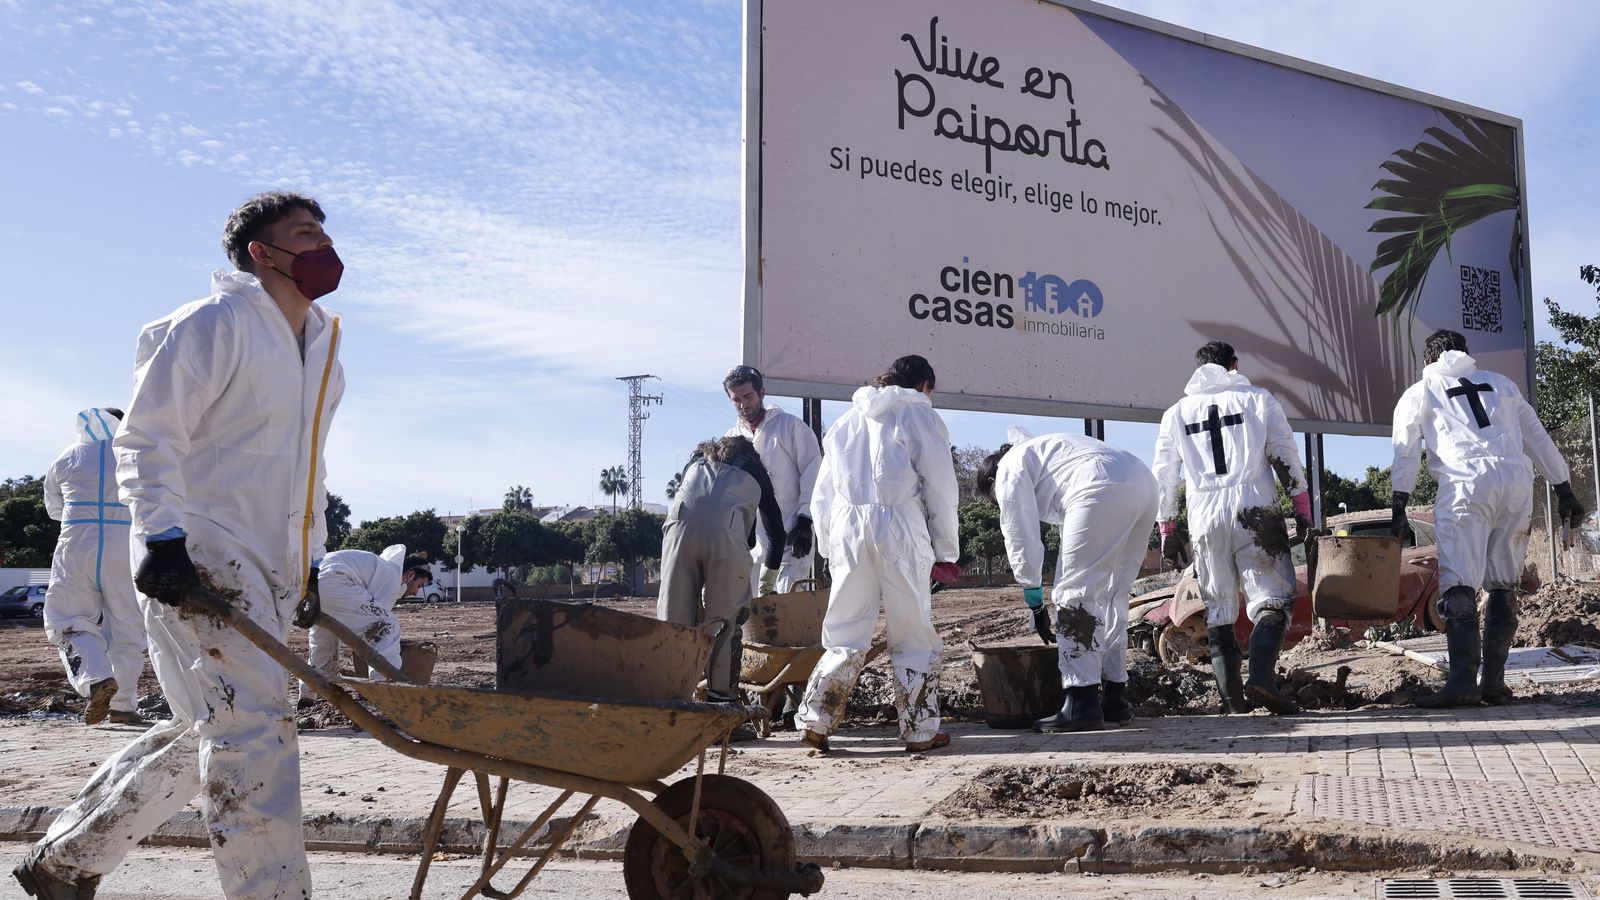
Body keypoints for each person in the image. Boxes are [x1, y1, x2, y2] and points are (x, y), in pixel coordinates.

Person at [14, 191, 345, 900]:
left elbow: (309, 468)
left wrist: (312, 560)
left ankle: (66, 859)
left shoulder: (322, 346)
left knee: (208, 723)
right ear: (262, 253)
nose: (323, 246)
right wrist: (164, 539)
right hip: (203, 555)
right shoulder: (214, 324)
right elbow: (145, 438)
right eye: (305, 234)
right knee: (254, 734)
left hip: (273, 563)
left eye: (325, 233)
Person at [1391, 329, 1584, 707]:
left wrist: (1400, 503)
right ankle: (1494, 682)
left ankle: (1463, 682)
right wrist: (1564, 489)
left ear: (1427, 360)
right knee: (1503, 583)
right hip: (1516, 484)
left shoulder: (1421, 391)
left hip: (1465, 486)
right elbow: (1537, 437)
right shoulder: (1502, 384)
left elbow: (1406, 451)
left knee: (1458, 582)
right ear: (1466, 353)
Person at [795, 355, 961, 753]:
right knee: (912, 630)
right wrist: (946, 550)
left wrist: (829, 546)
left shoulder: (846, 421)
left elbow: (822, 495)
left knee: (845, 630)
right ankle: (920, 730)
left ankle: (816, 719)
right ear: (924, 385)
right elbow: (940, 486)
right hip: (900, 527)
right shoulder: (919, 414)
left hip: (848, 530)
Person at [1152, 341, 1311, 716]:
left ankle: (1234, 705)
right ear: (1234, 365)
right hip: (1255, 510)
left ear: (1197, 369)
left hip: (1204, 516)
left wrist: (1167, 529)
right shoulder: (1258, 400)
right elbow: (1285, 455)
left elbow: (1164, 476)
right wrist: (1302, 509)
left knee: (1218, 608)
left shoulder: (1175, 414)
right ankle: (1261, 678)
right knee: (1272, 597)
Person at [978, 430, 1159, 732]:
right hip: (1143, 482)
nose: (997, 505)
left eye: (992, 499)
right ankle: (1114, 698)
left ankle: (1081, 703)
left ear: (991, 481)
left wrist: (1035, 601)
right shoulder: (1048, 458)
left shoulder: (1008, 467)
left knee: (1073, 594)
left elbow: (1020, 537)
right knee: (1112, 593)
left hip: (1100, 483)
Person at [657, 435, 786, 702]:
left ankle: (671, 698)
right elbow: (776, 533)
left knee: (673, 620)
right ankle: (722, 703)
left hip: (677, 533)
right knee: (724, 624)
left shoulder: (695, 463)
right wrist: (767, 581)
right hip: (725, 538)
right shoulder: (754, 469)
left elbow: (700, 510)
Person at [42, 407, 149, 728]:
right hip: (126, 546)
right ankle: (123, 707)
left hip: (77, 544)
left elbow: (54, 509)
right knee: (128, 628)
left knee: (69, 620)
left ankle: (96, 678)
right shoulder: (134, 453)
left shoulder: (67, 456)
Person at [724, 365, 823, 594]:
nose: (743, 404)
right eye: (736, 399)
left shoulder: (790, 427)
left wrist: (806, 520)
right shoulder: (732, 439)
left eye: (748, 396)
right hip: (751, 547)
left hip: (792, 537)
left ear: (762, 392)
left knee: (788, 601)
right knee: (751, 606)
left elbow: (813, 472)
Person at [299, 546, 432, 707]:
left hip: (310, 582)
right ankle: (385, 691)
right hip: (334, 579)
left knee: (323, 643)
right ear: (410, 575)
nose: (416, 592)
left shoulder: (377, 568)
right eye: (420, 585)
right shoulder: (392, 577)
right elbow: (375, 630)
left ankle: (307, 697)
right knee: (387, 627)